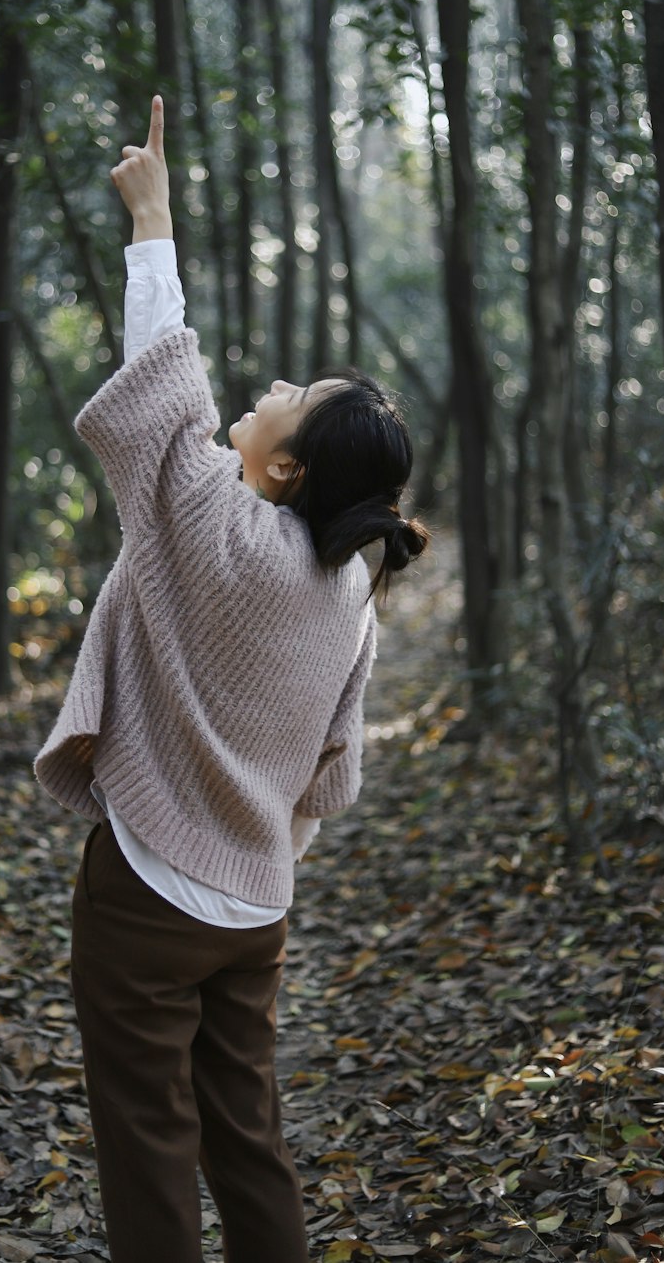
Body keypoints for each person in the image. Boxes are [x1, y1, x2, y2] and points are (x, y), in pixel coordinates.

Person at [33, 96, 427, 1263]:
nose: (257, 394)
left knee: (148, 1141)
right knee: (244, 1135)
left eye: (280, 399)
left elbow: (163, 383)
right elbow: (328, 768)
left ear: (286, 462)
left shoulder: (219, 527)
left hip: (150, 886)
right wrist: (257, 855)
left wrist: (151, 216)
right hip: (255, 905)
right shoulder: (348, 589)